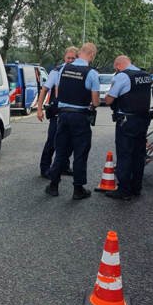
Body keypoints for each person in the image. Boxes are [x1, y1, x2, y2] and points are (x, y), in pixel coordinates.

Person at [45, 42, 100, 200]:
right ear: (91, 55)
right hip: (80, 117)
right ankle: (78, 189)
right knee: (80, 153)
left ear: (80, 52)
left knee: (61, 151)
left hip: (63, 116)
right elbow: (95, 102)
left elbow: (57, 90)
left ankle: (53, 185)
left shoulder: (62, 69)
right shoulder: (91, 73)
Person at [103, 54, 153, 201]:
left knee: (125, 155)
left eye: (116, 69)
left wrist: (106, 97)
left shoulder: (122, 76)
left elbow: (109, 99)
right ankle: (136, 188)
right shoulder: (146, 75)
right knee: (139, 155)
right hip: (143, 120)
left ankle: (124, 190)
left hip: (127, 121)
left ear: (118, 66)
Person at [36, 46, 78, 177]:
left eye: (73, 58)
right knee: (53, 141)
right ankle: (45, 169)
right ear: (64, 58)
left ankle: (64, 166)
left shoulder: (80, 72)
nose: (70, 60)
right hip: (57, 112)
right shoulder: (57, 71)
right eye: (68, 57)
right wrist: (39, 109)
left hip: (72, 113)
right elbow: (44, 89)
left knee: (70, 142)